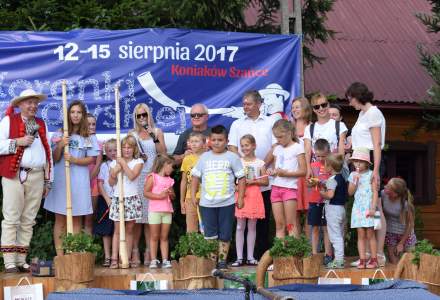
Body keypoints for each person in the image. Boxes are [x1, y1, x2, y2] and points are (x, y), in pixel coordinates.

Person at [0, 89, 53, 272]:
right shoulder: (8, 121)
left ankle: (21, 259)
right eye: (29, 102)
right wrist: (18, 142)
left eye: (35, 103)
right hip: (14, 174)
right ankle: (9, 262)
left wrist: (48, 180)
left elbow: (48, 153)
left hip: (37, 174)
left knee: (28, 219)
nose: (33, 106)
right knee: (11, 217)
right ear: (20, 105)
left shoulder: (41, 123)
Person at [44, 100, 100, 256]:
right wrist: (61, 145)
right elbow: (54, 159)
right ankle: (60, 257)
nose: (75, 115)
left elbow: (92, 159)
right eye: (73, 112)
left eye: (79, 112)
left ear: (83, 115)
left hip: (79, 181)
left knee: (77, 219)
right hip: (62, 180)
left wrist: (75, 160)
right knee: (60, 219)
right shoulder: (60, 133)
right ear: (68, 114)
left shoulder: (88, 136)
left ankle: (74, 256)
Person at [228, 90, 276, 259]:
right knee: (241, 223)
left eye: (248, 103)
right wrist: (243, 167)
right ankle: (240, 256)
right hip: (243, 183)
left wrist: (260, 167)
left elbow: (275, 147)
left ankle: (260, 257)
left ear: (258, 104)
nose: (245, 106)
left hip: (263, 181)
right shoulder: (237, 124)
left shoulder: (270, 122)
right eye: (244, 104)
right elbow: (233, 147)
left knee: (261, 222)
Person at [191, 125, 246, 270]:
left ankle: (222, 261)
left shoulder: (233, 157)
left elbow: (241, 178)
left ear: (226, 141)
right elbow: (195, 177)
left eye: (220, 140)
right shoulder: (204, 157)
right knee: (209, 234)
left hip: (227, 202)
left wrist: (240, 198)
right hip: (207, 203)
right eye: (213, 139)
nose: (216, 142)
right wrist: (193, 195)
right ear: (209, 140)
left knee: (225, 233)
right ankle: (211, 262)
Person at [346, 82, 387, 266]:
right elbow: (360, 137)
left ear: (358, 96)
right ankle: (368, 254)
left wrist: (376, 170)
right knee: (368, 209)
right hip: (360, 159)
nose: (350, 103)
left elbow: (377, 144)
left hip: (372, 160)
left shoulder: (373, 113)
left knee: (375, 207)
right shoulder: (362, 114)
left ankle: (378, 253)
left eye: (351, 99)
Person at [129, 103, 166, 267]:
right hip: (136, 177)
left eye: (144, 114)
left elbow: (163, 152)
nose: (142, 118)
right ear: (135, 118)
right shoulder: (132, 134)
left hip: (153, 177)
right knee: (138, 218)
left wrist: (153, 135)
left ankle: (149, 253)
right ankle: (136, 250)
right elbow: (127, 153)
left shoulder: (157, 132)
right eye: (139, 115)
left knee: (151, 217)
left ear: (149, 115)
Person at [231, 135, 268, 267]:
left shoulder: (260, 163)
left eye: (247, 145)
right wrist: (237, 186)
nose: (244, 148)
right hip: (241, 194)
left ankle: (251, 257)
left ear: (254, 145)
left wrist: (252, 181)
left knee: (252, 226)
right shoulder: (237, 161)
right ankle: (240, 257)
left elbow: (265, 181)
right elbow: (232, 180)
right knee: (240, 226)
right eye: (242, 146)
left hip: (254, 196)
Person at [265, 119, 306, 238]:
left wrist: (285, 174)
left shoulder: (298, 147)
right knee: (279, 225)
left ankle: (295, 254)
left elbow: (303, 171)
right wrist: (272, 172)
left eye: (280, 137)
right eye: (276, 137)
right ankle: (280, 254)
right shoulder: (277, 149)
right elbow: (277, 168)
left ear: (289, 133)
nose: (278, 140)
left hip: (289, 188)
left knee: (290, 224)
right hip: (276, 188)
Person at [108, 135, 143, 269]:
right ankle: (114, 258)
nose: (127, 150)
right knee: (117, 230)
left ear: (134, 149)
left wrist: (123, 164)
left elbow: (132, 176)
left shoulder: (138, 161)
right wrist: (114, 172)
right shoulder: (114, 163)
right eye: (124, 147)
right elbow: (111, 183)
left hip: (131, 198)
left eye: (130, 147)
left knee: (129, 229)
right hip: (118, 197)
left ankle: (126, 258)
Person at [304, 93, 348, 178]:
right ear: (313, 109)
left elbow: (341, 150)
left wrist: (337, 169)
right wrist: (308, 169)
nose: (321, 108)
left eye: (323, 105)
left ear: (328, 105)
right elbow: (308, 151)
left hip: (334, 169)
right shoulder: (309, 128)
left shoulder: (340, 125)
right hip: (316, 170)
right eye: (317, 107)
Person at [348, 148, 379, 269]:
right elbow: (350, 193)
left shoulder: (372, 174)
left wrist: (373, 208)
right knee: (360, 234)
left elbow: (375, 192)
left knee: (371, 234)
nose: (358, 164)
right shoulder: (352, 175)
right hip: (358, 208)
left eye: (361, 161)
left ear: (367, 163)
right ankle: (362, 259)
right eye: (355, 161)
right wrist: (354, 181)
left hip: (370, 207)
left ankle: (374, 259)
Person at [144, 154, 175, 269]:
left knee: (164, 236)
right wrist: (160, 196)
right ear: (165, 165)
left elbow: (173, 197)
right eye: (171, 166)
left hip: (167, 211)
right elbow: (146, 193)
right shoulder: (153, 177)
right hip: (155, 211)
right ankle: (153, 260)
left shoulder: (170, 180)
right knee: (154, 236)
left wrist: (171, 194)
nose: (172, 169)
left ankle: (165, 260)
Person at [306, 139, 332, 263]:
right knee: (315, 228)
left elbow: (333, 183)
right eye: (318, 156)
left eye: (323, 156)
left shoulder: (331, 166)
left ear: (329, 153)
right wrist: (311, 182)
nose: (321, 158)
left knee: (326, 228)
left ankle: (328, 254)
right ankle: (314, 254)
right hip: (314, 200)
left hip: (327, 201)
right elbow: (308, 184)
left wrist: (322, 183)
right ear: (314, 153)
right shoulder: (312, 166)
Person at [320, 153, 347, 269]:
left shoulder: (332, 180)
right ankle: (339, 258)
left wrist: (322, 193)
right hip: (341, 209)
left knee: (335, 236)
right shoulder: (341, 178)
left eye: (325, 165)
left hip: (333, 210)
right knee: (339, 234)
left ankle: (339, 260)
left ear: (330, 167)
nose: (324, 166)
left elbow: (330, 195)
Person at [290, 97, 312, 236]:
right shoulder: (289, 128)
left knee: (311, 211)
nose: (294, 110)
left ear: (305, 108)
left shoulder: (312, 127)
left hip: (309, 172)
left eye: (297, 107)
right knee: (293, 212)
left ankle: (309, 247)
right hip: (293, 174)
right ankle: (296, 246)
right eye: (293, 107)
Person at [382, 177, 416, 264]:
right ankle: (396, 278)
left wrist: (401, 243)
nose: (385, 186)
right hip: (391, 232)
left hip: (406, 234)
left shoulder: (405, 204)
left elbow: (410, 225)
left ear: (395, 193)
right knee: (394, 263)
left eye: (388, 187)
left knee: (410, 262)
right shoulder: (383, 194)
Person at [94, 139, 117, 267]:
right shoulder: (104, 165)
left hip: (119, 199)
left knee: (117, 230)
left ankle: (117, 255)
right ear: (105, 152)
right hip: (106, 200)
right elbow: (100, 183)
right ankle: (107, 256)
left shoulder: (122, 163)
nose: (112, 152)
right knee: (106, 230)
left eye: (115, 150)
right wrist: (107, 199)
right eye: (109, 150)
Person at [180, 132, 206, 232]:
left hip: (205, 197)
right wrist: (182, 201)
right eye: (192, 142)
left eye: (197, 141)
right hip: (190, 197)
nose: (194, 144)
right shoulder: (186, 159)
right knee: (191, 228)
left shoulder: (207, 157)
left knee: (206, 227)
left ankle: (209, 247)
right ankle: (192, 248)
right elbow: (184, 181)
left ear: (204, 143)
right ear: (188, 144)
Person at [85, 113, 103, 234]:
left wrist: (88, 181)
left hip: (93, 184)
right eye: (88, 124)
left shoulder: (98, 143)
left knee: (89, 218)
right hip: (79, 182)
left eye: (93, 124)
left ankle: (87, 248)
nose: (91, 126)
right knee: (76, 216)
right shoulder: (78, 140)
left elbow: (98, 164)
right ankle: (75, 248)